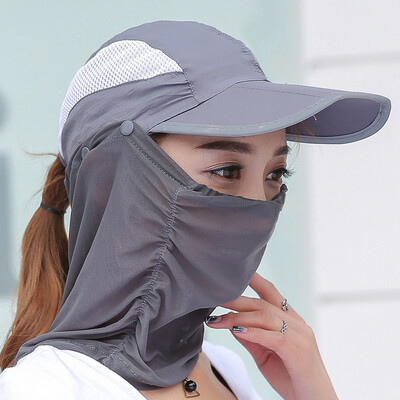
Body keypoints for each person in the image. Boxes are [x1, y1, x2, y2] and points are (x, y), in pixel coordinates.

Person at [0, 20, 391, 400]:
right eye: (227, 171)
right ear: (113, 178)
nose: (257, 204)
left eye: (275, 174)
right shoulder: (40, 390)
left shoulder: (224, 367)